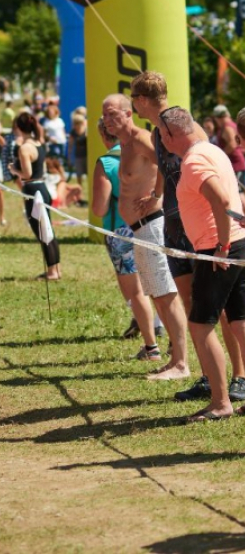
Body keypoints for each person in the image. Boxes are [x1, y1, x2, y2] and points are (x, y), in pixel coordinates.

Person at [130, 71, 245, 391]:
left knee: (219, 307)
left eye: (132, 100)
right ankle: (209, 375)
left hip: (203, 227)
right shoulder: (159, 131)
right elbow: (164, 169)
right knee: (193, 302)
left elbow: (208, 177)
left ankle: (238, 376)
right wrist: (156, 196)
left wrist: (223, 234)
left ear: (140, 100)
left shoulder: (181, 127)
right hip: (175, 224)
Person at [158, 107, 245, 421]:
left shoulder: (194, 161)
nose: (161, 140)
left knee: (201, 324)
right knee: (238, 320)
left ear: (171, 134)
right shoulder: (213, 151)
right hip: (235, 244)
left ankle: (220, 402)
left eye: (161, 134)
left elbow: (221, 200)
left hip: (217, 250)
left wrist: (220, 246)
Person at [102, 94, 189, 378]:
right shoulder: (124, 145)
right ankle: (175, 358)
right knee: (156, 294)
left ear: (129, 113)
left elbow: (168, 162)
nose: (108, 120)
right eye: (105, 115)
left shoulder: (140, 139)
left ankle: (181, 362)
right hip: (139, 229)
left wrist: (157, 196)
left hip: (151, 224)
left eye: (114, 114)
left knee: (166, 294)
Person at [92, 118, 158, 367]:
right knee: (160, 285)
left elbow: (99, 208)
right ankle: (172, 338)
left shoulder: (106, 163)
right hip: (151, 225)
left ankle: (151, 346)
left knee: (136, 291)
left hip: (120, 232)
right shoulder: (146, 157)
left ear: (104, 136)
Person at [8, 112, 61, 281]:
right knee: (48, 231)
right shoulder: (38, 143)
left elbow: (27, 173)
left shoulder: (25, 148)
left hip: (32, 190)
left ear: (18, 127)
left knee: (42, 232)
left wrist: (14, 170)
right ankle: (55, 269)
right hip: (42, 188)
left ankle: (52, 272)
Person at [67, 113, 88, 187]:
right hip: (78, 156)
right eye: (75, 123)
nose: (77, 125)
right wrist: (69, 157)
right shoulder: (73, 132)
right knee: (79, 175)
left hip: (87, 156)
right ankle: (80, 191)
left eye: (78, 123)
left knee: (90, 173)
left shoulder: (87, 130)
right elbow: (70, 145)